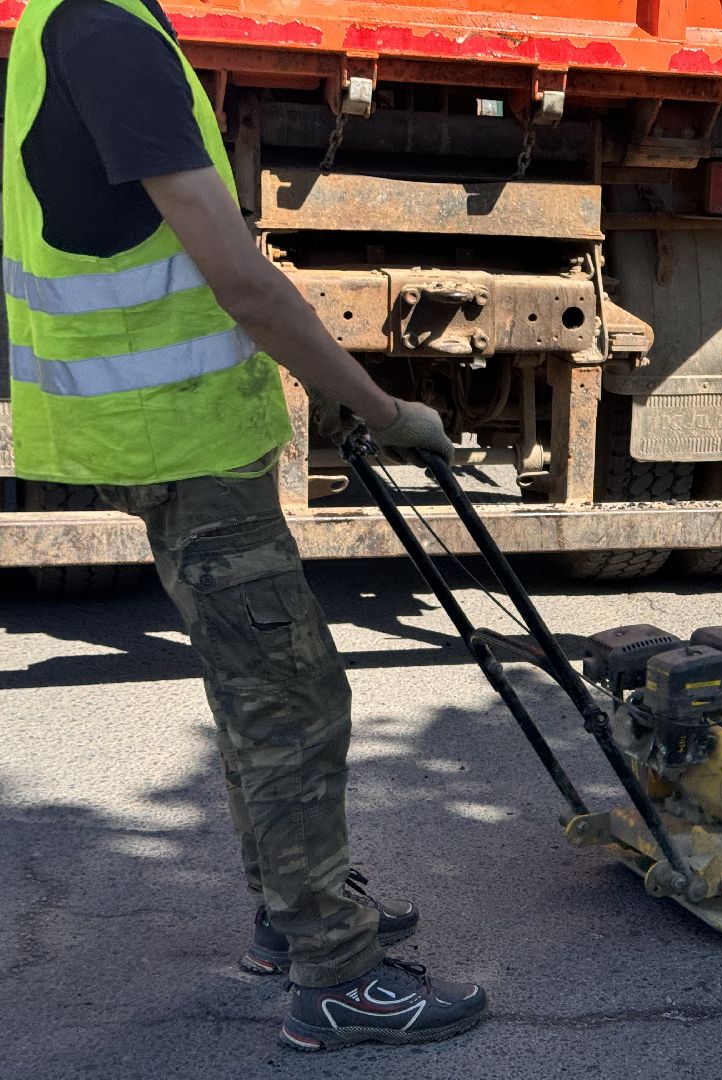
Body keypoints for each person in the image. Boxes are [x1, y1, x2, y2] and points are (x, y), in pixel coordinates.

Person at [4, 0, 489, 1052]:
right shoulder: (106, 33)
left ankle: (289, 913)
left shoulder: (69, 23)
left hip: (163, 431)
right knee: (289, 697)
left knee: (257, 684)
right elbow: (243, 285)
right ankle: (336, 972)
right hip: (179, 439)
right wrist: (385, 409)